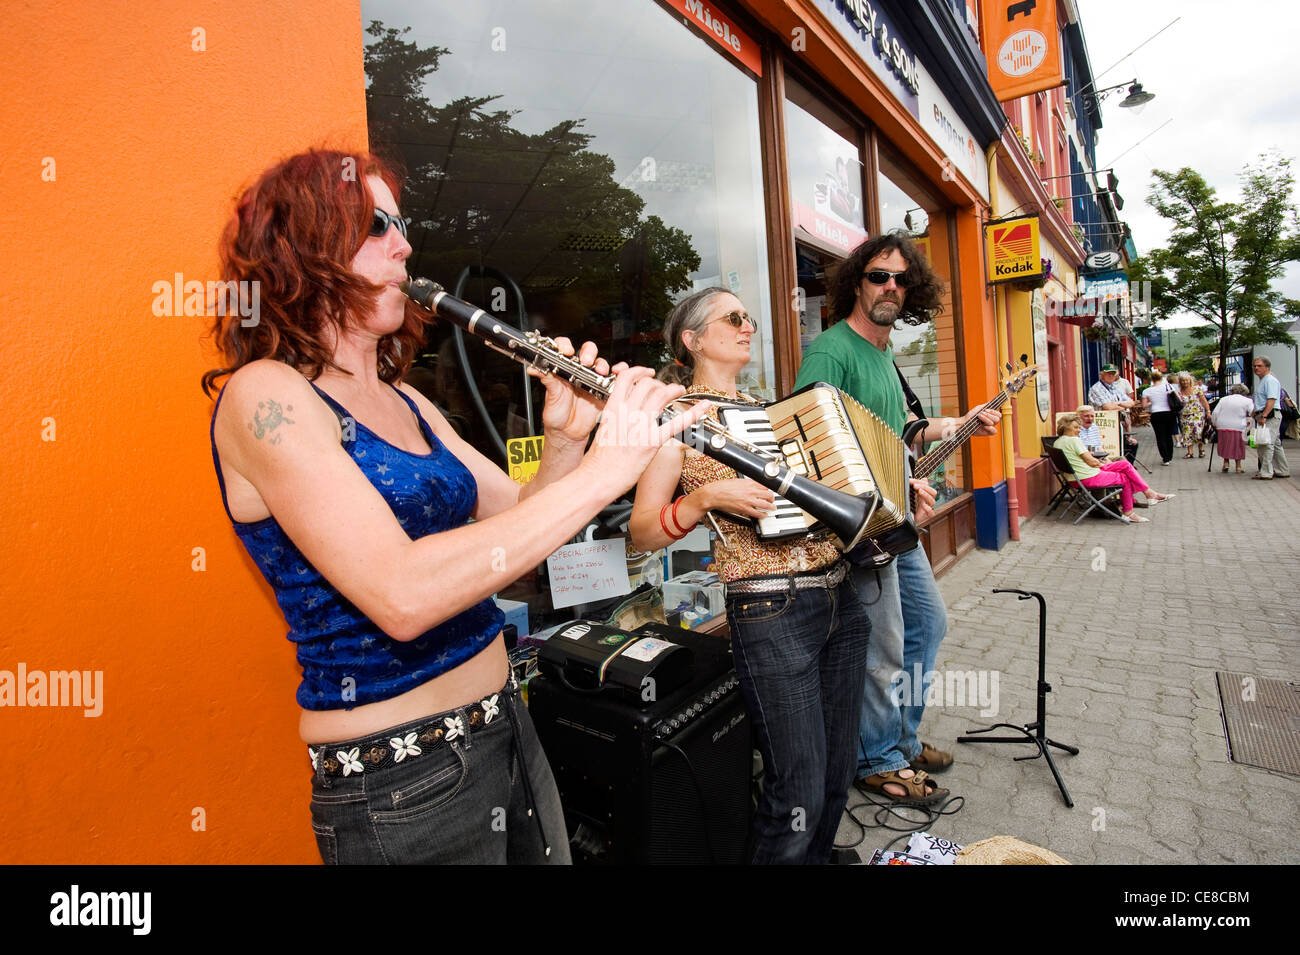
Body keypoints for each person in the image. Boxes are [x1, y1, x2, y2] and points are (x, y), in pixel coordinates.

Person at [202, 149, 708, 865]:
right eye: (376, 225)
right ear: (303, 245)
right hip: (402, 779)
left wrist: (566, 442)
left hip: (506, 728)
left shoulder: (406, 398)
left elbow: (524, 526)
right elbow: (401, 593)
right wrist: (605, 470)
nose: (404, 245)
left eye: (402, 225)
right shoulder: (265, 396)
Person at [629, 288, 871, 864]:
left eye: (749, 317)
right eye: (733, 318)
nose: (747, 327)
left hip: (841, 595)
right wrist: (704, 498)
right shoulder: (680, 420)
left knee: (838, 770)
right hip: (771, 609)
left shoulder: (774, 412)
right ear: (691, 340)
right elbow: (641, 530)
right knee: (799, 787)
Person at [793, 232, 1001, 807]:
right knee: (883, 645)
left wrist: (957, 424)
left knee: (927, 627)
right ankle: (876, 760)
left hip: (894, 521)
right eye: (879, 276)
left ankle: (900, 742)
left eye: (902, 280)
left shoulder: (882, 353)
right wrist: (884, 489)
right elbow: (811, 444)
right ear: (855, 282)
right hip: (858, 528)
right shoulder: (831, 351)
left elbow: (898, 430)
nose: (891, 287)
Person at [1054, 414, 1173, 522]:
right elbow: (1091, 462)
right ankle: (1130, 510)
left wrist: (1100, 463)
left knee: (1124, 466)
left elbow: (1082, 458)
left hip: (1075, 478)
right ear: (1066, 427)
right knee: (1124, 476)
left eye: (1079, 427)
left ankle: (1148, 495)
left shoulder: (1058, 442)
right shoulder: (1074, 440)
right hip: (1088, 476)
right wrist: (1103, 464)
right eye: (1075, 427)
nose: (1078, 430)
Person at [1088, 364, 1140, 462]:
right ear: (1102, 375)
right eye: (1108, 374)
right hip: (1102, 426)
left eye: (1113, 374)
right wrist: (1121, 406)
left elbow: (1131, 403)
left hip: (1117, 425)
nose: (1111, 376)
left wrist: (1118, 403)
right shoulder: (1097, 388)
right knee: (1111, 452)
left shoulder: (1115, 387)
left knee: (1132, 444)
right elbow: (1108, 407)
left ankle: (1127, 469)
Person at [1251, 356, 1292, 480]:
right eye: (1255, 366)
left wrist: (1264, 415)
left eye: (1259, 366)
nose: (1256, 368)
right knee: (1275, 443)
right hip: (1265, 414)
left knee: (1266, 443)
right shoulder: (1264, 380)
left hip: (1269, 415)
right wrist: (1254, 413)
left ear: (1267, 367)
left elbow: (1271, 399)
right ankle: (1282, 469)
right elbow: (1262, 400)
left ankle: (1266, 472)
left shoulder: (1270, 380)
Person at [1212, 384, 1254, 474]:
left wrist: (1214, 423)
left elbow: (1215, 412)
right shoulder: (1248, 401)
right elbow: (1252, 412)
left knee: (1225, 444)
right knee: (1238, 445)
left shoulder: (1223, 399)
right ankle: (1238, 466)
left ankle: (1226, 463)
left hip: (1223, 425)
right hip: (1238, 426)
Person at [1141, 370, 1180, 465]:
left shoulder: (1146, 391)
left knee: (1160, 436)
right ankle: (1169, 456)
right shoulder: (1168, 386)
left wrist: (1152, 402)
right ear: (1161, 378)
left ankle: (1165, 458)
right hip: (1169, 413)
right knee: (1168, 435)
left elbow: (1144, 405)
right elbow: (1178, 398)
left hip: (1156, 414)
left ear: (1151, 379)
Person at [1176, 371, 1212, 458]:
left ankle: (1201, 450)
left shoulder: (1196, 389)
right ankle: (1190, 452)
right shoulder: (1178, 392)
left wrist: (1208, 411)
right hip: (1185, 415)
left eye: (1186, 380)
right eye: (1183, 381)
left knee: (1198, 432)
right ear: (1180, 382)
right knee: (1187, 433)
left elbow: (1204, 401)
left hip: (1198, 414)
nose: (1185, 382)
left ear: (1190, 380)